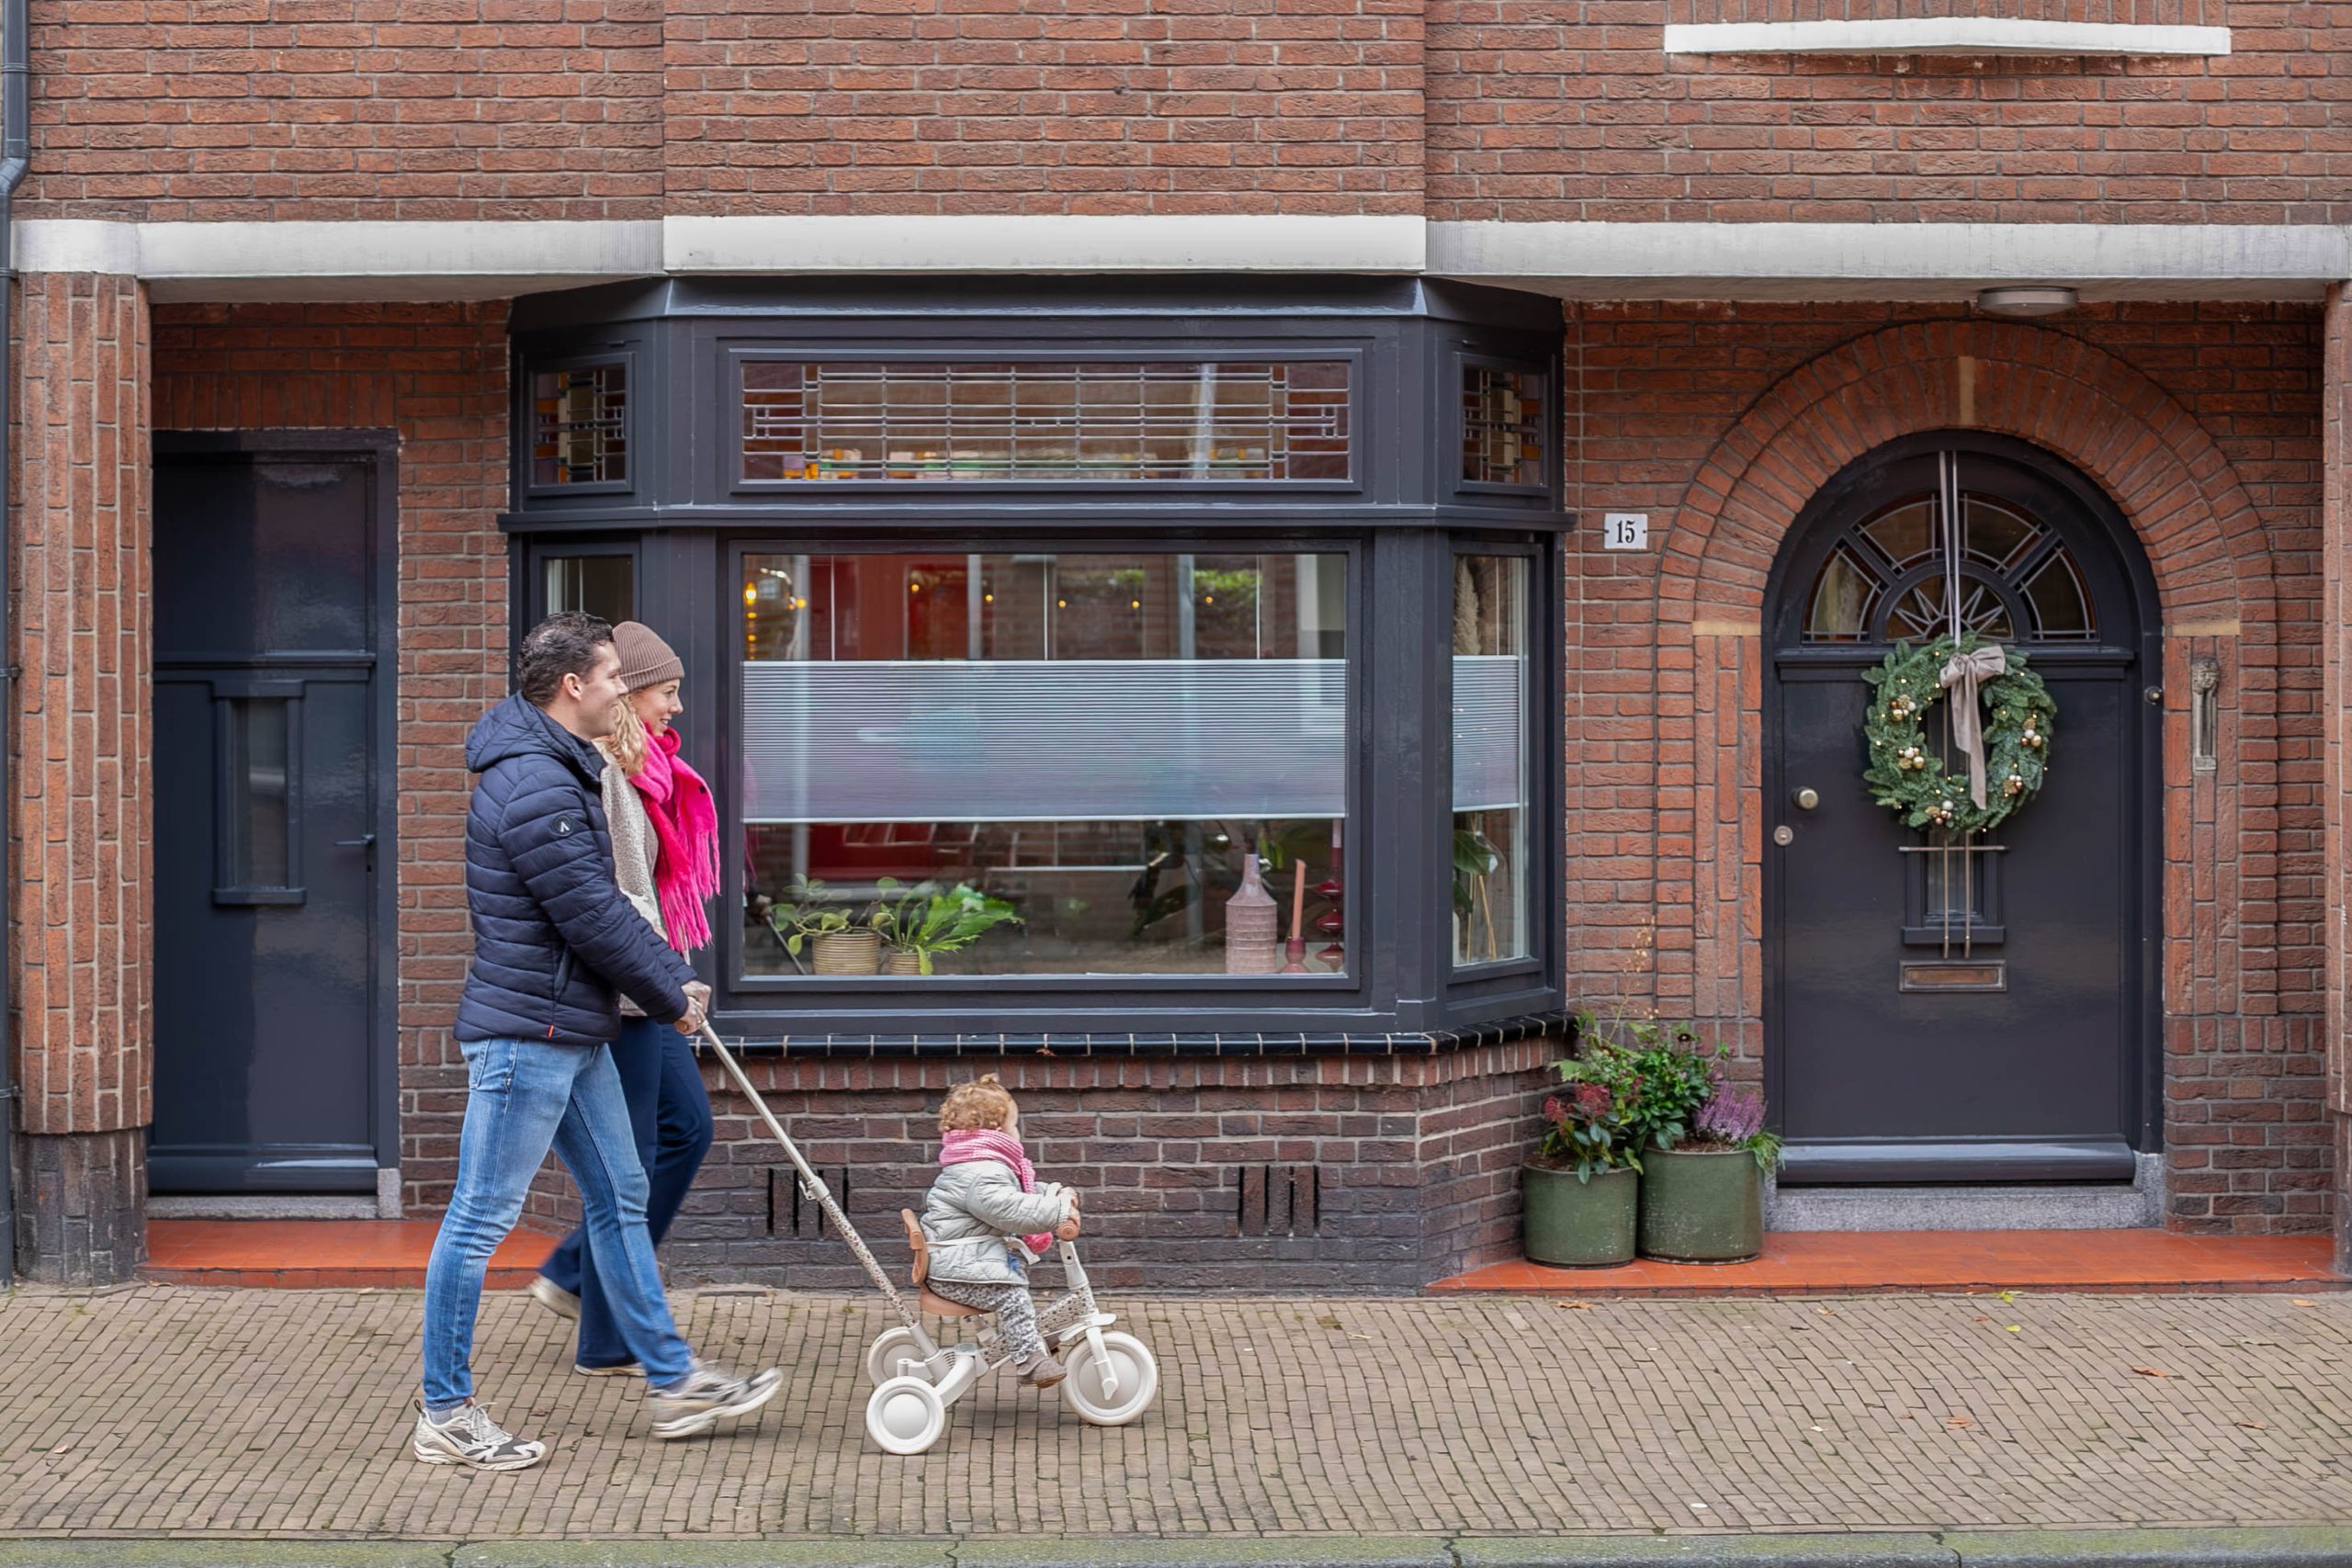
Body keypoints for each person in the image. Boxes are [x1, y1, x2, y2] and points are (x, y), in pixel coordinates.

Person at [414, 612, 781, 1472]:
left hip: (570, 1027)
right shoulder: (536, 782)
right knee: (479, 1218)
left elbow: (606, 907)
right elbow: (591, 915)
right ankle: (445, 1409)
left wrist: (666, 977)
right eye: (614, 674)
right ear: (573, 685)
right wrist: (670, 995)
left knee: (622, 1193)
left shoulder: (558, 766)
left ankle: (675, 1379)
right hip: (528, 1036)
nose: (624, 687)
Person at [530, 622, 721, 1377]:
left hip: (649, 982)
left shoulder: (645, 770)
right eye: (665, 691)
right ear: (628, 692)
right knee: (633, 1159)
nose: (676, 706)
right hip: (630, 990)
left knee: (684, 1130)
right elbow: (613, 895)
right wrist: (666, 979)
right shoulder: (607, 771)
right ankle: (607, 1334)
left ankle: (578, 1269)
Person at [916, 1076, 1082, 1387]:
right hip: (956, 1270)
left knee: (1013, 1287)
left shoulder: (980, 1167)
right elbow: (1012, 1209)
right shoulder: (981, 1174)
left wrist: (1054, 1194)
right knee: (1012, 1296)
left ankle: (1029, 1337)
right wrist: (1059, 1212)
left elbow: (1017, 1194)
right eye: (1014, 1126)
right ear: (997, 1131)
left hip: (961, 1261)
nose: (1017, 1133)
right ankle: (1029, 1360)